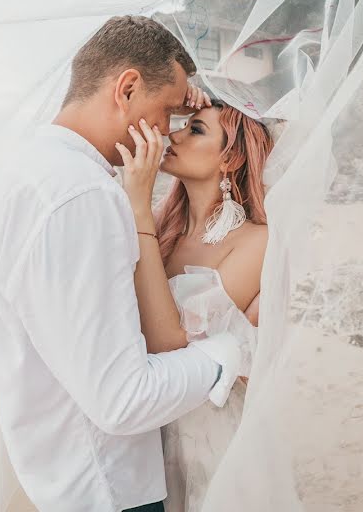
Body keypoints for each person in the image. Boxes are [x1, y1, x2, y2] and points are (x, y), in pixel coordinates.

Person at [0, 15, 244, 512]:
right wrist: (225, 352)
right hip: (109, 489)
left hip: (62, 476)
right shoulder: (84, 195)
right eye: (168, 111)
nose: (168, 133)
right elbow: (121, 401)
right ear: (126, 87)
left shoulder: (32, 168)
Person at [116, 100, 273, 511]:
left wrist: (138, 208)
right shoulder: (158, 229)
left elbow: (170, 341)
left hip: (209, 440)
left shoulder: (256, 241)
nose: (175, 134)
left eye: (197, 130)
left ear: (231, 158)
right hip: (143, 431)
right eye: (182, 125)